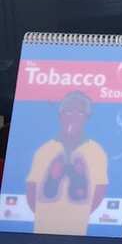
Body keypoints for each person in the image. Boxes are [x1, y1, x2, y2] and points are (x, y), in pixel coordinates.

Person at [25, 91, 108, 236]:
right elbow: (31, 186)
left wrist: (81, 213)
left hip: (78, 223)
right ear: (60, 115)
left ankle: (76, 182)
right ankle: (56, 181)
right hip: (43, 222)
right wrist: (42, 213)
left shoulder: (96, 152)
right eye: (69, 111)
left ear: (87, 117)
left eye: (80, 112)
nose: (74, 116)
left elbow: (101, 188)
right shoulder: (44, 150)